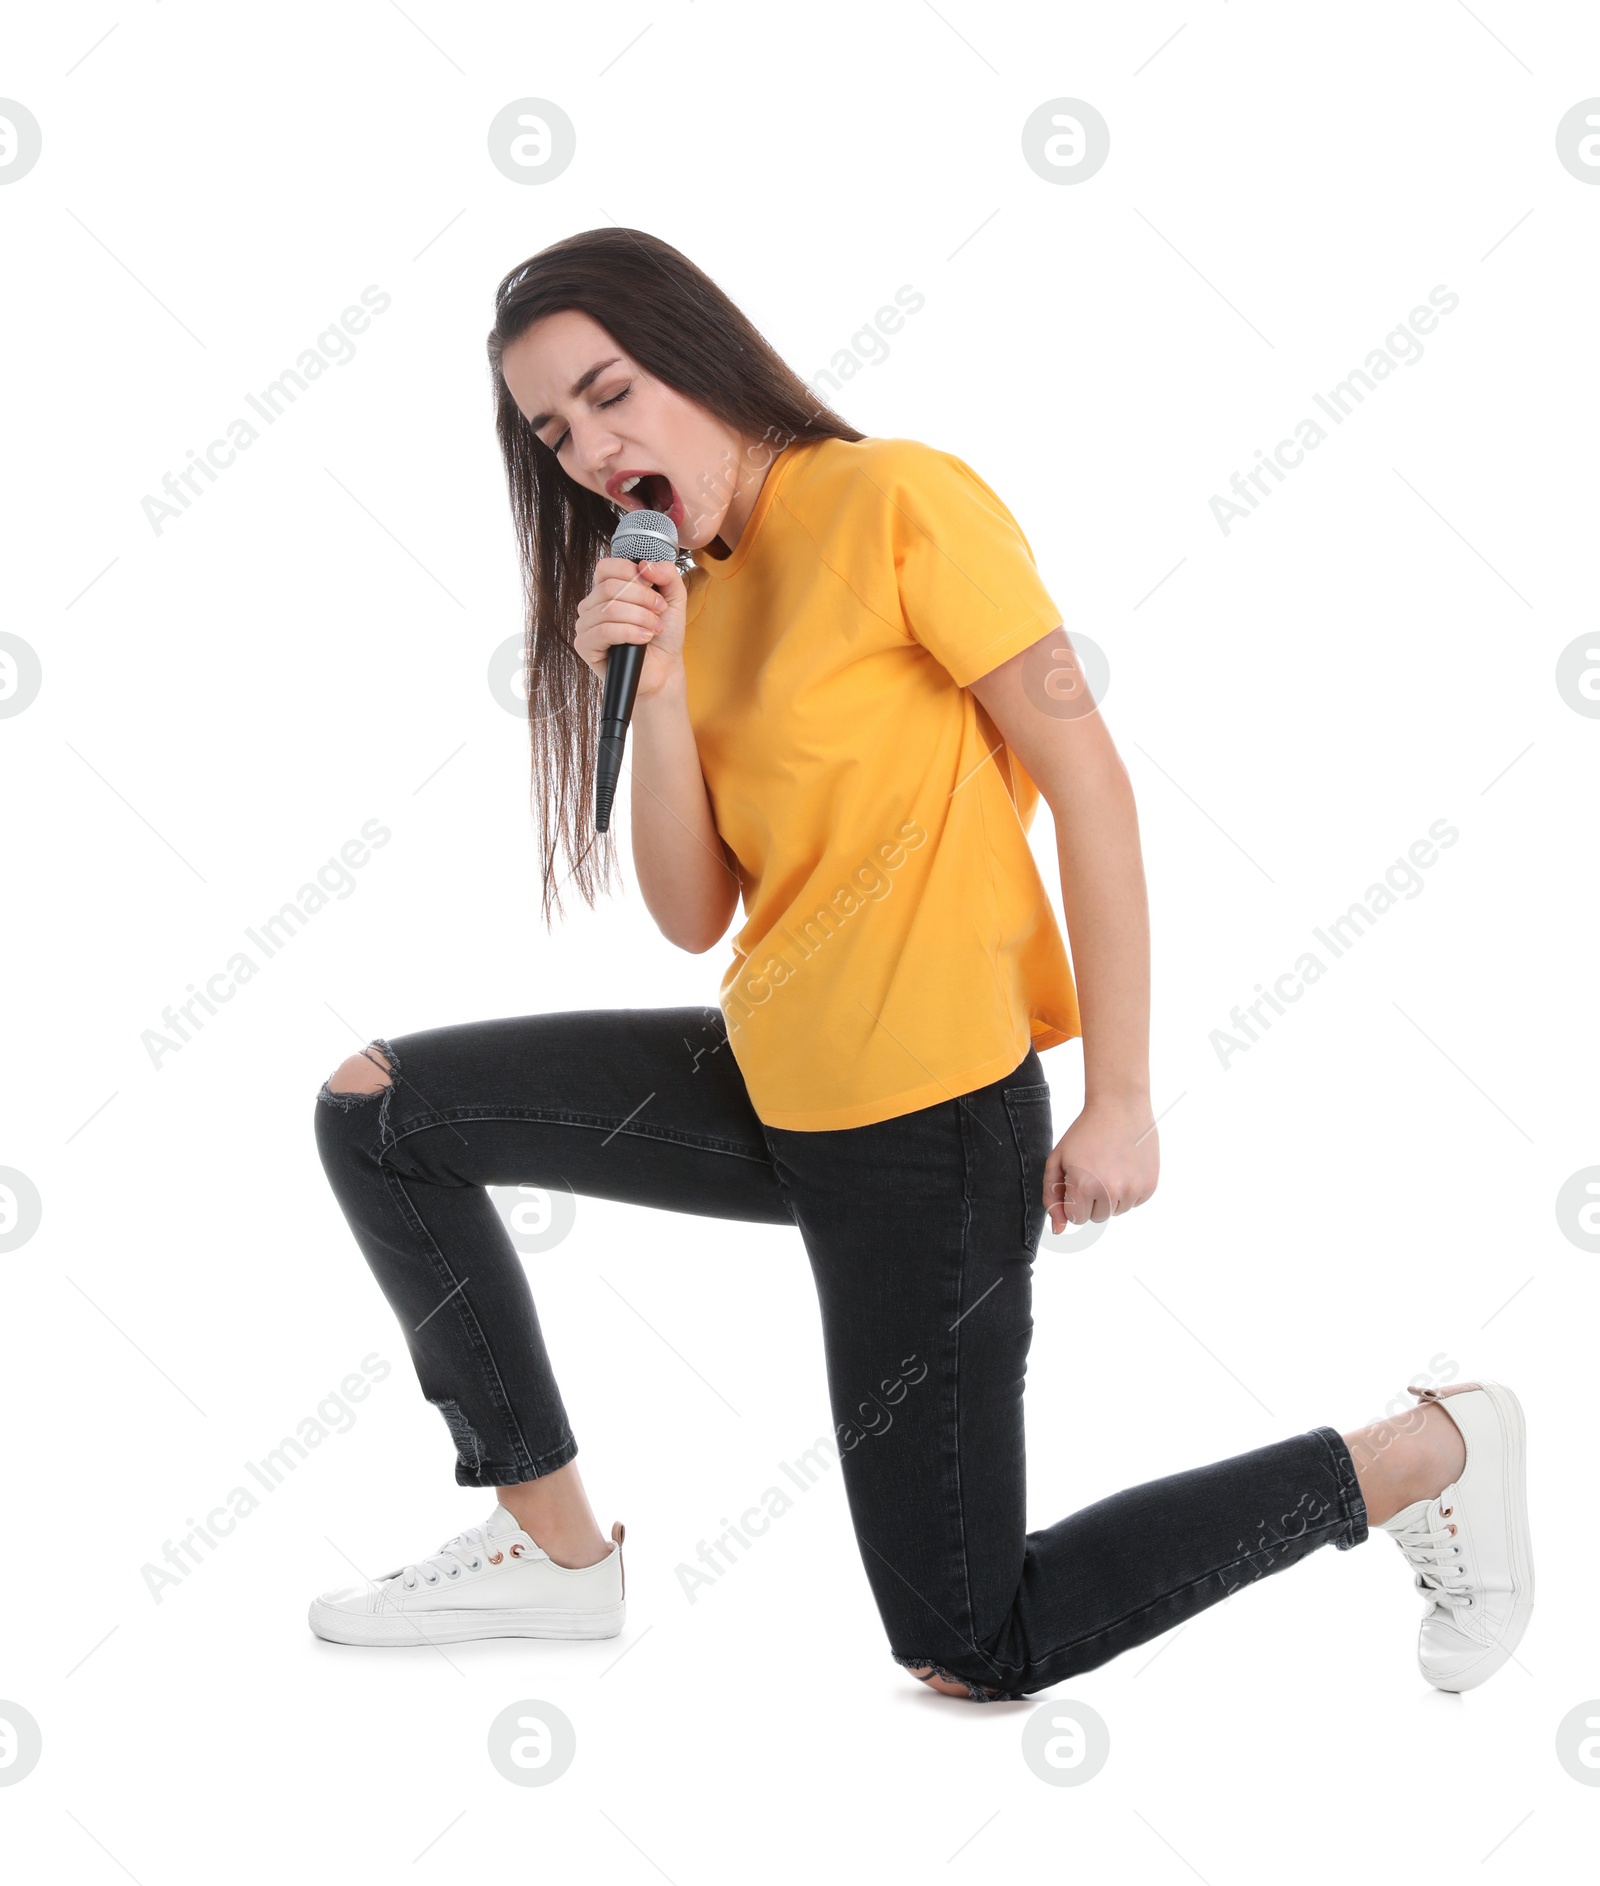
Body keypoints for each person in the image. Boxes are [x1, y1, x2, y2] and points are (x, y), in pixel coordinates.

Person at [307, 228, 1533, 1699]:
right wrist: (657, 682)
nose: (591, 448)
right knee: (381, 1109)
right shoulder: (692, 583)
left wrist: (1123, 1092)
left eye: (611, 392)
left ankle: (1427, 1452)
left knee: (970, 1639)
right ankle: (555, 1552)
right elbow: (694, 914)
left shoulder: (898, 499)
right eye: (555, 432)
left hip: (925, 1125)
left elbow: (1090, 778)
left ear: (695, 351)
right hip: (776, 1073)